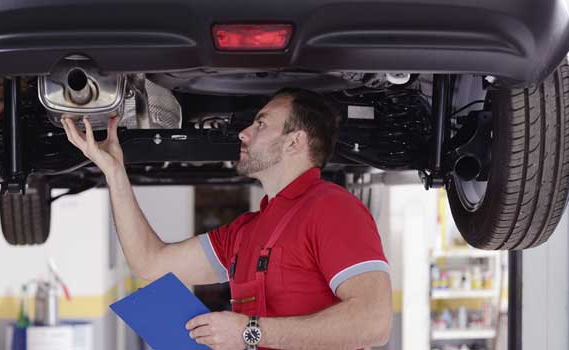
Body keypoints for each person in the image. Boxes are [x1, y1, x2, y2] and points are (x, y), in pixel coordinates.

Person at [61, 88, 392, 350]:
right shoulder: (245, 231)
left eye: (261, 124)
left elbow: (374, 323)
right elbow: (151, 264)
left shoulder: (334, 209)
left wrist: (248, 332)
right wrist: (115, 172)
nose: (243, 134)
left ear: (295, 142)